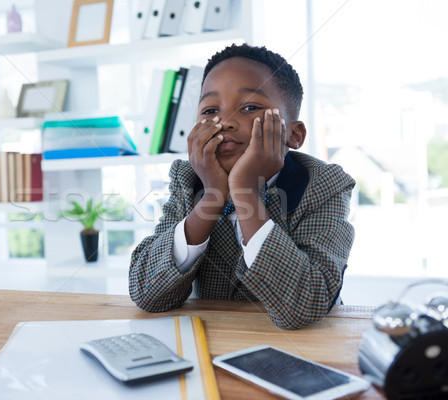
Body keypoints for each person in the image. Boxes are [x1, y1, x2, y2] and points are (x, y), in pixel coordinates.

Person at [128, 43, 356, 330]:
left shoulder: (323, 184)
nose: (225, 122)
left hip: (304, 351)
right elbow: (147, 294)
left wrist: (244, 190)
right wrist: (212, 196)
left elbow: (303, 305)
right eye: (211, 109)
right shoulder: (188, 180)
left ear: (293, 134)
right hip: (216, 347)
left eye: (249, 107)